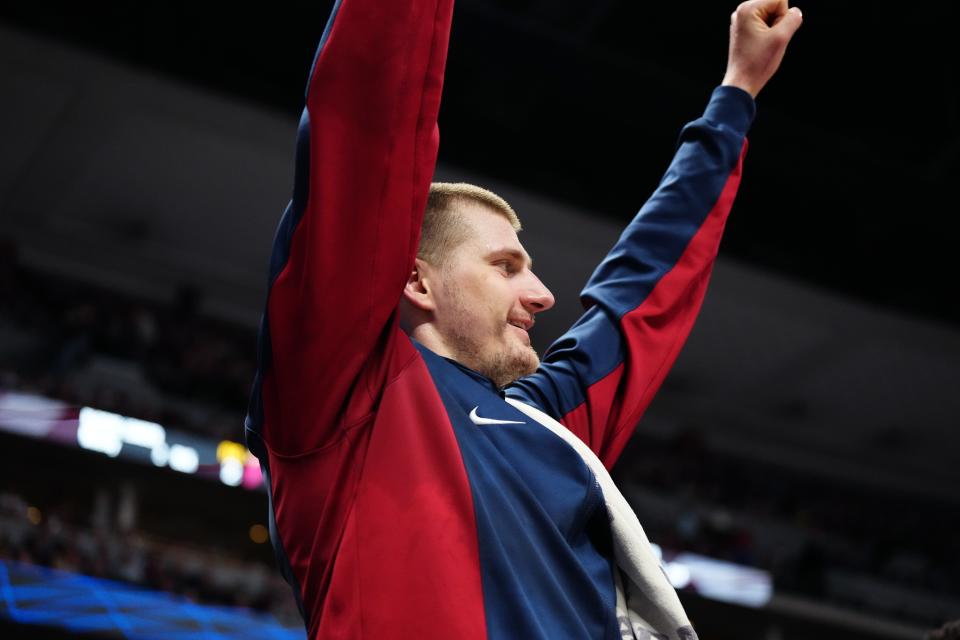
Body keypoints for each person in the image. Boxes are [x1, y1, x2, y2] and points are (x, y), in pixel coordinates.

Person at [244, 1, 802, 638]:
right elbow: (368, 130)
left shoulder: (542, 423)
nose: (542, 295)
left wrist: (737, 94)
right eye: (506, 266)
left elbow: (639, 297)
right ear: (415, 279)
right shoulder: (343, 401)